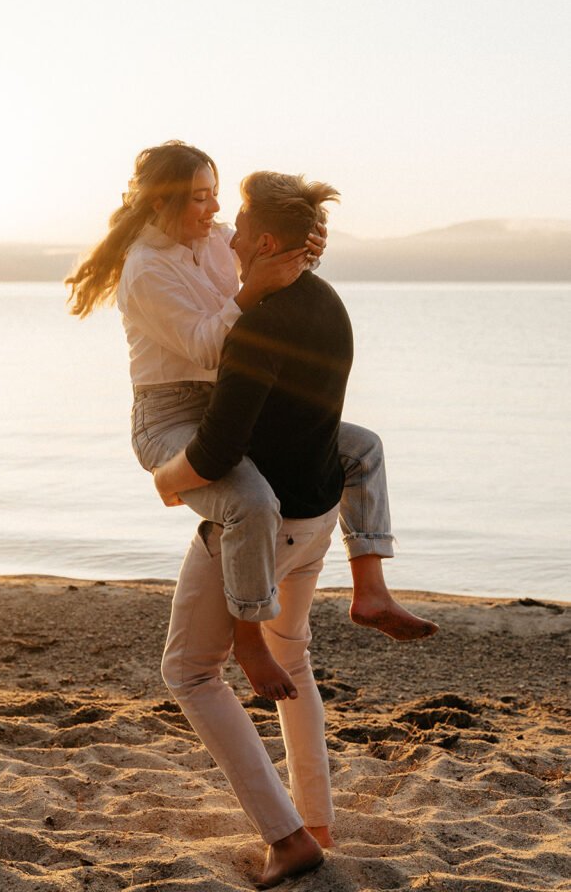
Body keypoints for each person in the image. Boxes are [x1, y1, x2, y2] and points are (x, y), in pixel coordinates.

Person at [65, 141, 436, 698]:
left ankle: (371, 588)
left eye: (216, 194)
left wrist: (308, 246)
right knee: (252, 501)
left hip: (232, 401)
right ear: (163, 201)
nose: (214, 210)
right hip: (169, 417)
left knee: (362, 449)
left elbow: (267, 245)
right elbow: (205, 347)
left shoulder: (213, 237)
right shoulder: (143, 269)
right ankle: (249, 636)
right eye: (199, 198)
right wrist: (254, 289)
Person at [151, 170, 357, 887]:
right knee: (290, 657)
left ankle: (290, 837)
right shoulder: (326, 301)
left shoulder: (256, 331)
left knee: (190, 671)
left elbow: (212, 458)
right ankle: (317, 813)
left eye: (238, 226)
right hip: (319, 516)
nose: (226, 234)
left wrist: (165, 479)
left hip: (263, 527)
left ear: (265, 241)